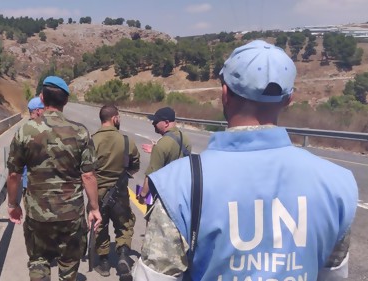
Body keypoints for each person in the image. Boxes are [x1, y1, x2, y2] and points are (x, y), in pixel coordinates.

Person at [132, 40, 358, 281]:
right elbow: (330, 275)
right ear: (289, 99)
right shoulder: (337, 184)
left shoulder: (179, 185)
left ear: (225, 93)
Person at [6, 76, 102, 281]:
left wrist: (13, 204)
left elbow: (14, 174)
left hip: (37, 214)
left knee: (38, 260)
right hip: (71, 214)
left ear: (42, 97)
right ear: (66, 101)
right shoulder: (81, 133)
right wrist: (94, 208)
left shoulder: (25, 130)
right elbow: (88, 175)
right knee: (68, 264)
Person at [91, 105, 141, 278]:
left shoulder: (92, 141)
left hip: (97, 192)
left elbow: (85, 170)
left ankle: (104, 264)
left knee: (100, 226)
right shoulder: (127, 141)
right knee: (125, 224)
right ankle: (123, 256)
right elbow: (135, 165)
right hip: (120, 192)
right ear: (115, 119)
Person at [136, 107, 191, 213]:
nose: (153, 124)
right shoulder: (185, 139)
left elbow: (151, 175)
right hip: (180, 196)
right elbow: (175, 155)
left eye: (155, 122)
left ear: (166, 123)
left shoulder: (162, 145)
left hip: (162, 198)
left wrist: (142, 195)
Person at [21, 96, 45, 191]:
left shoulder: (23, 130)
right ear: (38, 111)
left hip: (28, 185)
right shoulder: (46, 130)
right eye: (44, 109)